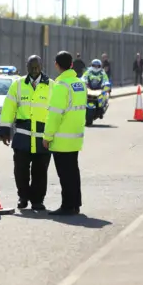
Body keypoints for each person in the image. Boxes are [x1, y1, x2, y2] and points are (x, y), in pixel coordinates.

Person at [0, 55, 54, 210]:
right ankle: (23, 197)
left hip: (43, 138)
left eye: (37, 67)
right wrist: (4, 129)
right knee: (20, 171)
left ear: (42, 66)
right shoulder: (17, 85)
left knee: (40, 172)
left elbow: (56, 111)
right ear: (26, 67)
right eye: (31, 67)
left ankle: (37, 201)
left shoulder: (52, 86)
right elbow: (9, 107)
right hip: (22, 136)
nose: (35, 70)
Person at [43, 51, 87, 216]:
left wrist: (47, 137)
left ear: (56, 65)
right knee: (73, 172)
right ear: (71, 65)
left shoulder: (61, 86)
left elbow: (54, 114)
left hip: (61, 139)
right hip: (75, 137)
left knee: (65, 174)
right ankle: (76, 204)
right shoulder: (80, 84)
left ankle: (67, 206)